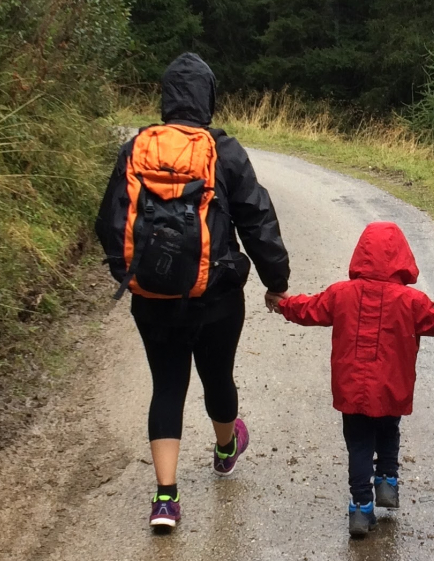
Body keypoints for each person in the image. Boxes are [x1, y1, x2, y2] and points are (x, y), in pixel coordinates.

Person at [95, 53, 291, 531]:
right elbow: (257, 219)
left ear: (165, 98)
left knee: (167, 386)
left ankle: (165, 498)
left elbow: (109, 222)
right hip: (216, 297)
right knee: (217, 377)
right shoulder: (224, 151)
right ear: (208, 98)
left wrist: (134, 274)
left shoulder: (136, 148)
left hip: (152, 298)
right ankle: (226, 448)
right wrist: (276, 282)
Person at [275, 222, 434, 537]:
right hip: (392, 388)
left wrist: (282, 302)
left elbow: (309, 309)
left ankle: (361, 507)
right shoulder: (412, 301)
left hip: (351, 389)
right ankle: (387, 481)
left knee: (359, 444)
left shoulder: (341, 294)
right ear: (402, 258)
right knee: (389, 431)